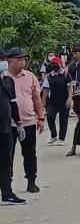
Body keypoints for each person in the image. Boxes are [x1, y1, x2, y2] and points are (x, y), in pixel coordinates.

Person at [6, 48, 44, 193]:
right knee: (7, 155)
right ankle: (7, 183)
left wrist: (40, 118)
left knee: (30, 153)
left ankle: (31, 181)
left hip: (28, 122)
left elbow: (36, 98)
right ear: (10, 61)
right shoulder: (3, 77)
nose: (23, 62)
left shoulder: (30, 76)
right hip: (8, 124)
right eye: (19, 59)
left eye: (24, 59)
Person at [0, 49, 25, 205]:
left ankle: (7, 194)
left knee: (5, 161)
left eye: (3, 59)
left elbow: (13, 104)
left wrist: (19, 123)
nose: (3, 63)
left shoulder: (8, 81)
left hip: (5, 129)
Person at [42, 56, 72, 145]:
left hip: (64, 101)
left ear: (60, 64)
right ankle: (54, 136)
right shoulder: (49, 76)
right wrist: (43, 101)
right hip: (52, 101)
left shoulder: (66, 74)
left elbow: (70, 87)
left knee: (63, 120)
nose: (54, 66)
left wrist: (70, 98)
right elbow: (46, 89)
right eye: (53, 64)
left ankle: (62, 139)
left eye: (56, 64)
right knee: (50, 117)